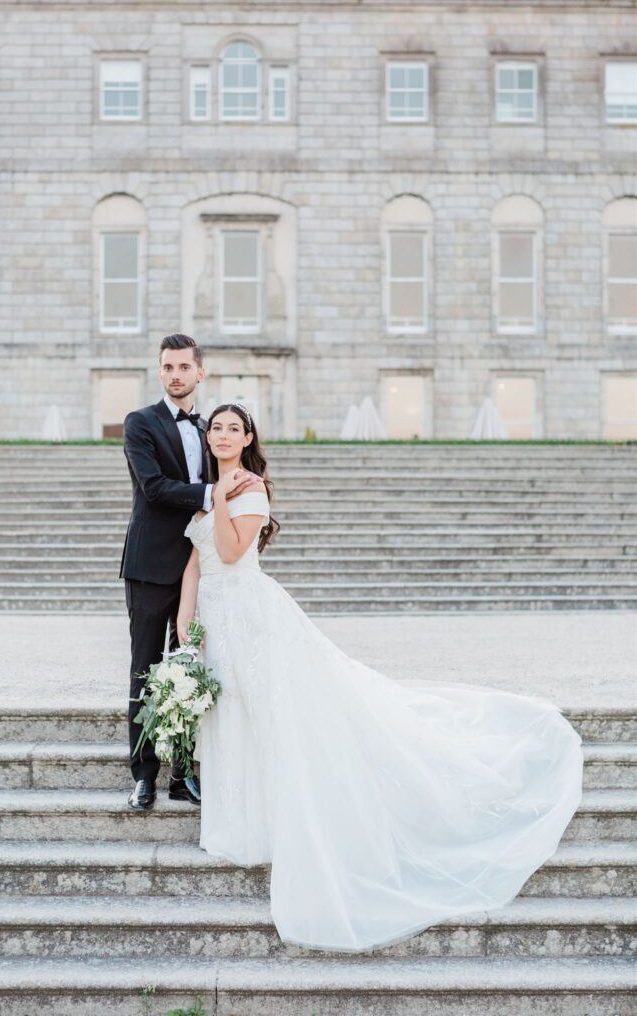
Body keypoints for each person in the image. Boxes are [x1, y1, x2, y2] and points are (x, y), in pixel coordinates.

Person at [177, 401, 584, 953]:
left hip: (250, 615)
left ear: (248, 437)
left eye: (233, 428)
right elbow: (196, 562)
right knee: (231, 712)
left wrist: (224, 498)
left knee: (270, 711)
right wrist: (185, 625)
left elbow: (229, 549)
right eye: (216, 428)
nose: (223, 435)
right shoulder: (206, 491)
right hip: (214, 620)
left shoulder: (248, 490)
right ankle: (238, 826)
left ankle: (278, 823)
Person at [120, 334, 260, 811]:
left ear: (200, 372)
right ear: (160, 372)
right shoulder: (140, 423)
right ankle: (143, 776)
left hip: (203, 569)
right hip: (152, 565)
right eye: (167, 367)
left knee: (192, 670)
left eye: (184, 367)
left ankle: (183, 774)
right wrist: (217, 494)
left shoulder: (210, 427)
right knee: (146, 669)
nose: (175, 374)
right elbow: (155, 488)